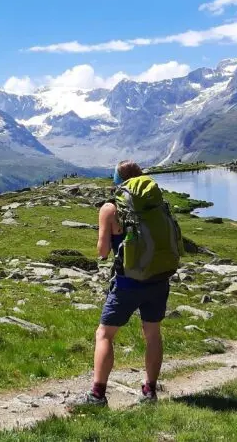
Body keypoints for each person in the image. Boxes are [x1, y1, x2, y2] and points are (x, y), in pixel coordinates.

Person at [73, 160, 179, 408]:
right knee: (152, 334)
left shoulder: (111, 209)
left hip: (128, 282)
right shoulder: (158, 205)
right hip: (158, 278)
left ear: (119, 180)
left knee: (104, 334)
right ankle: (149, 392)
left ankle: (97, 396)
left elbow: (101, 251)